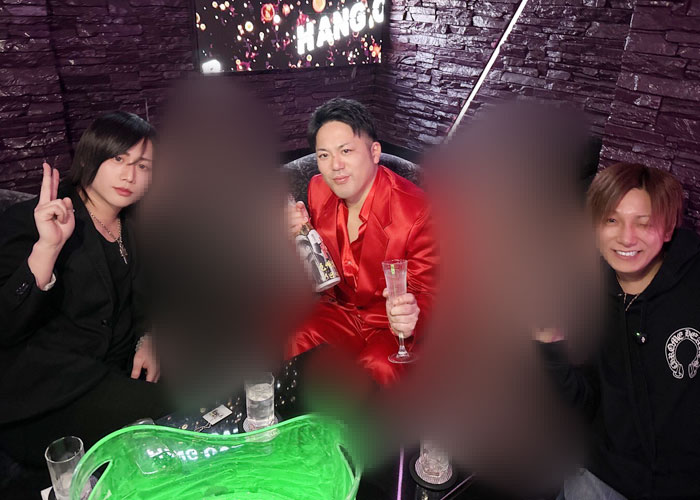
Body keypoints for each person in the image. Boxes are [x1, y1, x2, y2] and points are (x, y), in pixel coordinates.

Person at [0, 112, 172, 476]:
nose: (129, 176)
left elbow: (157, 295)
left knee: (217, 379)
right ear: (92, 157)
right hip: (50, 393)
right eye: (118, 159)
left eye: (143, 166)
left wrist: (150, 336)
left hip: (116, 371)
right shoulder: (36, 220)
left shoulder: (138, 225)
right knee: (176, 411)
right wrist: (46, 250)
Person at [538, 162, 700, 499]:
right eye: (611, 220)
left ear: (667, 230)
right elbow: (584, 403)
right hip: (603, 474)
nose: (626, 237)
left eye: (644, 223)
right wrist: (551, 348)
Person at [286, 98, 438, 385]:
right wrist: (301, 234)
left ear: (374, 152)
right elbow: (321, 272)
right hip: (343, 311)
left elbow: (431, 294)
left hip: (391, 324)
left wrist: (412, 313)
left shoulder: (417, 211)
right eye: (324, 155)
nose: (335, 166)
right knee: (298, 340)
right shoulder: (318, 188)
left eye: (346, 151)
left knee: (377, 368)